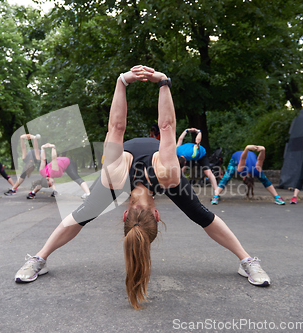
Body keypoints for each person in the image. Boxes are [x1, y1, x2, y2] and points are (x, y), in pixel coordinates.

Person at [14, 65, 270, 310]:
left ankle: (39, 258)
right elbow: (166, 127)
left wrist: (126, 81)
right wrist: (161, 82)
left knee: (82, 215)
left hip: (125, 172)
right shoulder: (168, 174)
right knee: (200, 214)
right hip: (153, 169)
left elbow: (118, 127)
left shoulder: (116, 177)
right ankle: (247, 261)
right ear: (149, 215)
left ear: (131, 214)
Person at [214, 145, 285, 205]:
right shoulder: (249, 170)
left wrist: (262, 150)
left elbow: (259, 159)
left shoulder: (256, 170)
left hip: (242, 155)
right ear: (244, 178)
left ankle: (215, 196)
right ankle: (277, 197)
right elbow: (244, 158)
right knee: (226, 177)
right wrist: (249, 149)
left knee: (227, 177)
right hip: (238, 155)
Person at [26, 143, 91, 200]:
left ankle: (88, 194)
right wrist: (42, 148)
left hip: (67, 162)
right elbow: (43, 160)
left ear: (48, 179)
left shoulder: (53, 172)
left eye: (52, 182)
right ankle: (33, 193)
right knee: (42, 182)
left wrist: (53, 147)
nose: (53, 183)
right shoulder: (43, 174)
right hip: (59, 163)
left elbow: (52, 158)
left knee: (75, 177)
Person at [176, 128, 220, 204]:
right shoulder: (177, 151)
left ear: (185, 161)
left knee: (208, 173)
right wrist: (186, 130)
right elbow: (180, 139)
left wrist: (199, 131)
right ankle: (178, 190)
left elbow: (198, 142)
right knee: (180, 171)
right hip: (188, 156)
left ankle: (216, 194)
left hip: (201, 155)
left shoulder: (193, 153)